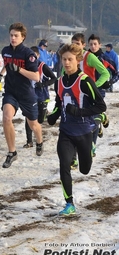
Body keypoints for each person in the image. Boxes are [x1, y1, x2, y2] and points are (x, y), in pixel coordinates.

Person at [46, 43, 106, 216]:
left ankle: (98, 122)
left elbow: (100, 105)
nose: (66, 63)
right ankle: (69, 204)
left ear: (78, 60)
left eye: (70, 59)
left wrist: (80, 112)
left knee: (85, 170)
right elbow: (60, 103)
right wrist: (54, 115)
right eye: (64, 59)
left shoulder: (85, 81)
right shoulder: (59, 83)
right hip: (66, 132)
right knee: (64, 165)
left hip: (84, 131)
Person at [0, 22, 43, 168]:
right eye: (11, 35)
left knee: (33, 124)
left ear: (23, 37)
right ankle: (12, 152)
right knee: (6, 117)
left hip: (26, 94)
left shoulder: (28, 54)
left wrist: (19, 69)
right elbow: (7, 64)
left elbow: (36, 77)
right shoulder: (5, 51)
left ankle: (39, 141)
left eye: (16, 36)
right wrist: (0, 74)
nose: (13, 38)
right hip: (11, 91)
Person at [69, 33, 110, 168]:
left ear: (83, 45)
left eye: (78, 44)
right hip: (74, 95)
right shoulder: (69, 56)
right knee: (73, 125)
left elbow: (105, 73)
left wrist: (95, 86)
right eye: (73, 43)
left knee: (89, 124)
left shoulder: (89, 57)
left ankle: (92, 144)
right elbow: (64, 74)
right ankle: (73, 159)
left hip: (89, 96)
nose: (75, 46)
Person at [23, 46, 57, 148]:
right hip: (29, 96)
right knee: (29, 118)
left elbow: (54, 78)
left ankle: (44, 114)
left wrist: (43, 84)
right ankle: (29, 141)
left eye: (34, 55)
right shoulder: (25, 66)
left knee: (40, 120)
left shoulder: (42, 66)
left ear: (37, 55)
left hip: (42, 96)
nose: (31, 57)